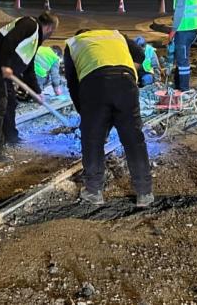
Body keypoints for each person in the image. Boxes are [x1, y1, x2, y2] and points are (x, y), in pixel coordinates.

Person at [64, 29, 154, 207]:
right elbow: (140, 55)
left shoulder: (74, 44)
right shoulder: (115, 35)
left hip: (95, 85)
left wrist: (85, 113)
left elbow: (72, 82)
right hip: (126, 82)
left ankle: (93, 191)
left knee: (93, 140)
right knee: (134, 139)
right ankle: (144, 193)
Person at [0, 12, 59, 160]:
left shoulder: (35, 39)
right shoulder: (29, 24)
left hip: (0, 66)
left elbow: (29, 68)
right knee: (0, 103)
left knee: (11, 101)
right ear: (50, 28)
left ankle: (11, 136)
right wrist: (5, 65)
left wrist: (36, 92)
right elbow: (9, 41)